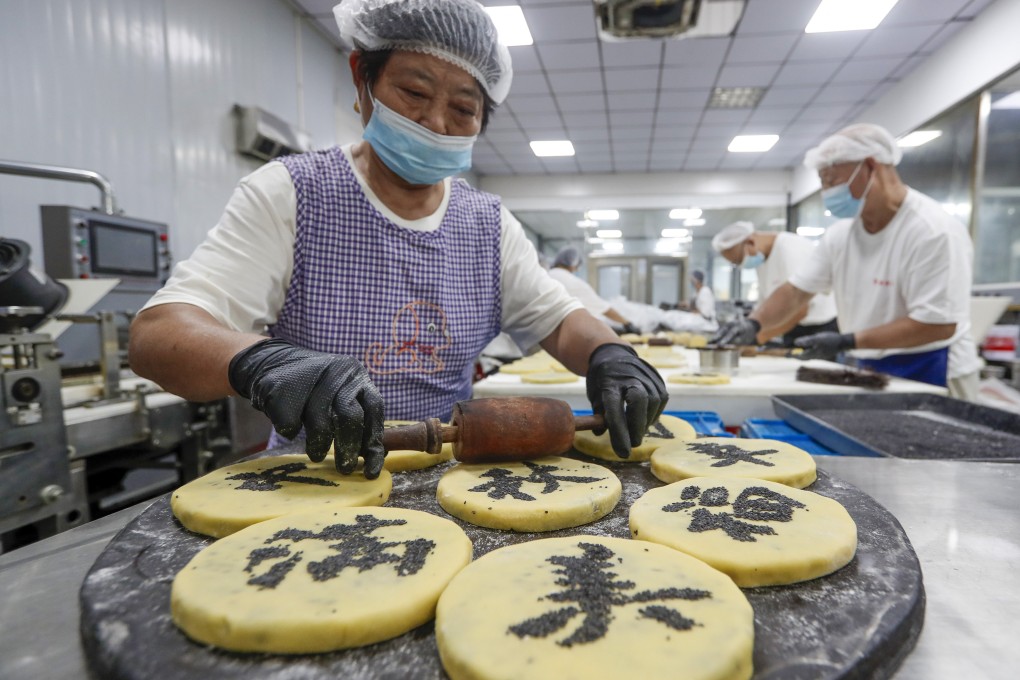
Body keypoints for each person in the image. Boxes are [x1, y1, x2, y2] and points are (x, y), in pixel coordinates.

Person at [128, 0, 667, 478]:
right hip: (314, 477)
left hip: (449, 475)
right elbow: (159, 336)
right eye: (413, 92)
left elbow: (561, 320)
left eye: (462, 110)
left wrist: (610, 354)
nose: (434, 122)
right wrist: (262, 362)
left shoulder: (488, 226)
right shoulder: (293, 195)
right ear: (362, 78)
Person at [714, 123, 980, 399]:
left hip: (936, 367)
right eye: (823, 183)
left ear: (871, 166)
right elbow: (795, 292)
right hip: (871, 364)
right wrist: (753, 324)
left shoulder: (931, 231)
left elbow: (938, 324)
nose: (827, 192)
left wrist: (847, 341)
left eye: (832, 181)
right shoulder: (841, 235)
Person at [712, 221, 838, 346]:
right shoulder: (762, 260)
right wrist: (745, 327)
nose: (741, 265)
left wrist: (758, 338)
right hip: (793, 328)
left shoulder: (790, 249)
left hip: (820, 329)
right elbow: (764, 306)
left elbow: (800, 308)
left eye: (739, 260)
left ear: (750, 242)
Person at [547, 247, 637, 332]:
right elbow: (603, 308)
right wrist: (627, 323)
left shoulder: (545, 276)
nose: (577, 269)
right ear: (573, 263)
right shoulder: (573, 282)